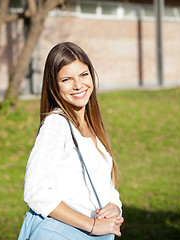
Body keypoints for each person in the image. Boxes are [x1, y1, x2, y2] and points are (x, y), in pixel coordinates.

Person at [23, 42, 124, 238]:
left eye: (84, 75)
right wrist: (92, 226)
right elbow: (35, 191)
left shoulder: (89, 123)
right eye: (67, 79)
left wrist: (114, 205)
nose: (78, 85)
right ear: (54, 85)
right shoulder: (56, 125)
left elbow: (101, 181)